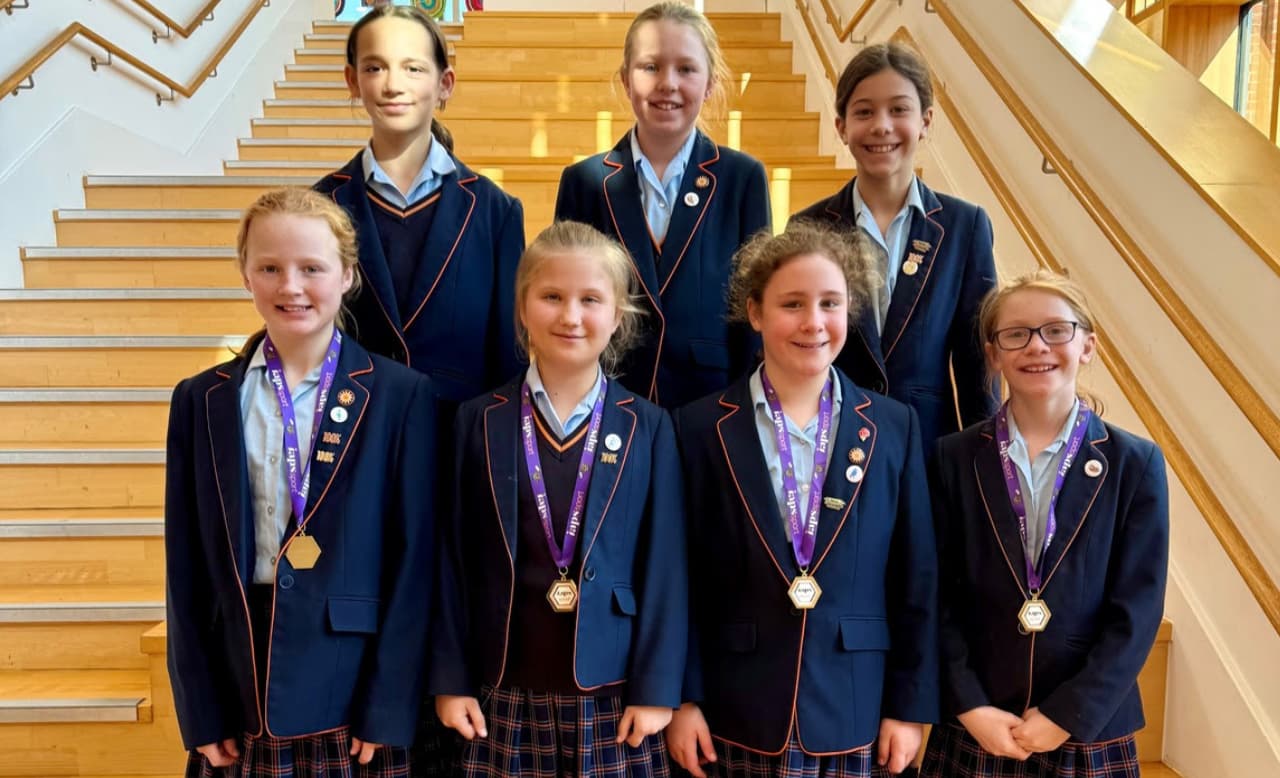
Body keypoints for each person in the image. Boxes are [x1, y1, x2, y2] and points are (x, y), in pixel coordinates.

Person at [165, 188, 436, 777]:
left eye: (312, 268)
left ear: (347, 275)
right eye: (270, 268)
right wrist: (200, 711)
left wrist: (389, 706)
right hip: (238, 680)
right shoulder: (200, 399)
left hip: (351, 686)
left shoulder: (399, 395)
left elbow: (414, 563)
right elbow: (184, 568)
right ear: (246, 276)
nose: (291, 287)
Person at [670, 222, 938, 777]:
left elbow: (916, 578)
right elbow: (679, 576)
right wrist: (684, 698)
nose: (814, 322)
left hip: (855, 705)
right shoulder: (696, 428)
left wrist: (909, 707)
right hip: (733, 706)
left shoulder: (894, 427)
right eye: (792, 304)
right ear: (756, 312)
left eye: (830, 303)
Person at [430, 221, 687, 777]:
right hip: (500, 688)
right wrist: (451, 681)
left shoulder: (649, 426)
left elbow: (665, 567)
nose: (571, 316)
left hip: (615, 693)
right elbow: (451, 560)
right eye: (551, 297)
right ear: (522, 308)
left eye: (590, 299)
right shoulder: (477, 420)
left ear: (617, 316)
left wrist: (657, 688)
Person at [920, 270, 1168, 778]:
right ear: (993, 354)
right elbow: (936, 596)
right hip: (980, 723)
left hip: (1087, 727)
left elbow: (1138, 611)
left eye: (1056, 330)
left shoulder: (1134, 463)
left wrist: (1068, 715)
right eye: (1016, 334)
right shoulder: (952, 458)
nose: (1037, 346)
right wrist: (969, 704)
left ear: (1087, 346)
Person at [554, 1, 771, 408]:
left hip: (711, 402)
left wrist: (742, 409)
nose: (667, 83)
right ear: (625, 79)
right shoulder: (584, 183)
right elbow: (568, 297)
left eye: (686, 69)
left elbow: (753, 310)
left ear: (710, 83)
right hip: (609, 400)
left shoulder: (742, 179)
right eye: (651, 67)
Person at [316, 3, 524, 407]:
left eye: (413, 68)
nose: (393, 85)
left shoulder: (495, 211)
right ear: (352, 80)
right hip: (355, 428)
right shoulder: (322, 205)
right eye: (375, 67)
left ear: (445, 83)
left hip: (458, 432)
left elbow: (509, 356)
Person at [793, 42, 998, 450]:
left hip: (928, 447)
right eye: (864, 112)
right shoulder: (808, 226)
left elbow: (978, 366)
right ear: (841, 127)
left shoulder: (964, 226)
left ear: (925, 121)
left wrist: (985, 460)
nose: (881, 126)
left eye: (899, 109)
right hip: (833, 442)